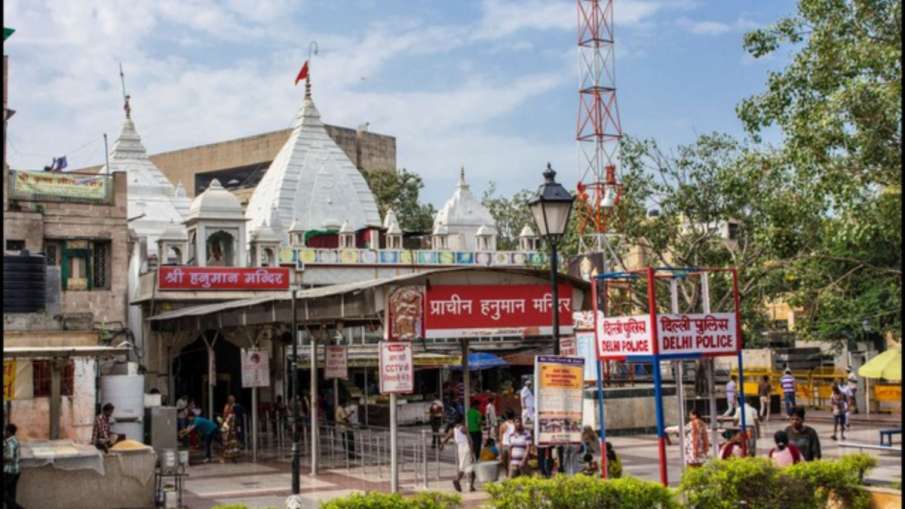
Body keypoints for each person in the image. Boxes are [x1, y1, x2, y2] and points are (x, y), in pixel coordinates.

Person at [441, 417, 476, 492]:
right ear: (462, 420)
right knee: (466, 468)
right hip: (466, 448)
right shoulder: (463, 428)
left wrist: (442, 444)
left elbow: (446, 438)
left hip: (460, 449)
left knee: (468, 468)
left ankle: (470, 486)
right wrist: (472, 452)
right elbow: (470, 441)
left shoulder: (453, 430)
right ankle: (458, 481)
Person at [4, 423, 23, 509]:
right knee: (11, 493)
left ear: (8, 432)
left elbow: (9, 458)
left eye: (5, 431)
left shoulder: (10, 443)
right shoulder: (15, 441)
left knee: (5, 494)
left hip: (9, 472)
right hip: (16, 471)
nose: (4, 433)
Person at [498, 410, 516, 475]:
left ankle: (507, 474)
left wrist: (500, 451)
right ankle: (510, 475)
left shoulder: (502, 425)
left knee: (505, 463)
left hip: (505, 446)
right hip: (513, 446)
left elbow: (500, 439)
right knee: (511, 462)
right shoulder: (515, 424)